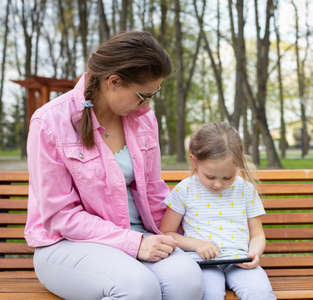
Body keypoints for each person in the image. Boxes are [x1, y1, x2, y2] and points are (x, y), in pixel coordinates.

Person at [25, 31, 203, 300]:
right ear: (114, 82)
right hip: (66, 244)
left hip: (140, 237)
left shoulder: (143, 120)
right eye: (143, 96)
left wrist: (190, 237)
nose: (146, 105)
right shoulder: (49, 123)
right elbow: (60, 215)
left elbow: (155, 191)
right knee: (138, 288)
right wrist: (134, 243)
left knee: (187, 281)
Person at [160, 122, 276, 300]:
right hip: (203, 263)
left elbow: (257, 234)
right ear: (194, 161)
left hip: (239, 262)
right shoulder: (185, 190)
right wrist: (197, 245)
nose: (218, 184)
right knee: (210, 293)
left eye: (227, 177)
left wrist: (254, 253)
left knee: (259, 292)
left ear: (238, 165)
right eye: (210, 176)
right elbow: (167, 233)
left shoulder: (245, 189)